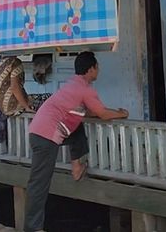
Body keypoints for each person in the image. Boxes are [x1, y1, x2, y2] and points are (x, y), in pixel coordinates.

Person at [24, 51, 128, 232]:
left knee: (77, 125)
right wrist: (122, 114)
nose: (99, 70)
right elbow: (102, 114)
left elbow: (93, 111)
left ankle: (76, 166)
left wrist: (114, 111)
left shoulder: (73, 84)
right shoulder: (85, 89)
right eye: (97, 67)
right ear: (91, 69)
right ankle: (33, 228)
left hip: (41, 130)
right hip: (45, 136)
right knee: (39, 183)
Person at [0, 56, 34, 151]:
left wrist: (0, 104)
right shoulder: (14, 62)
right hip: (16, 108)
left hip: (2, 110)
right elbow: (15, 87)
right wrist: (26, 106)